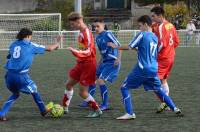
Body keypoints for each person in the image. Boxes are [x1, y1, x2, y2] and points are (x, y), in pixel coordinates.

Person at [108, 15, 183, 120]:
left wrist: (115, 46)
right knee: (158, 90)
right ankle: (175, 108)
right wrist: (136, 49)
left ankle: (129, 113)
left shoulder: (142, 34)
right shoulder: (154, 37)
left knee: (124, 87)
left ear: (145, 24)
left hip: (142, 68)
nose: (139, 28)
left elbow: (129, 47)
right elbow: (145, 50)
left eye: (140, 25)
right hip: (153, 68)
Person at [0, 28, 60, 121]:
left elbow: (10, 56)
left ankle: (2, 113)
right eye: (31, 36)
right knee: (34, 91)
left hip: (9, 75)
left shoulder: (13, 44)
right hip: (21, 76)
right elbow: (50, 49)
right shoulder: (30, 45)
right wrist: (57, 43)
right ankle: (43, 110)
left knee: (15, 94)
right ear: (28, 36)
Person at [62, 12, 102, 118]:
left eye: (72, 24)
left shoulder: (86, 33)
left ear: (78, 21)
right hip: (81, 63)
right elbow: (83, 49)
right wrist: (78, 53)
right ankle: (64, 107)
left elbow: (89, 51)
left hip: (89, 64)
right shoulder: (81, 31)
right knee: (68, 84)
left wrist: (75, 51)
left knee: (82, 92)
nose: (71, 26)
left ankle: (97, 110)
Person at [79, 19, 122, 110]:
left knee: (101, 81)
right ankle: (89, 100)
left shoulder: (108, 34)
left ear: (103, 25)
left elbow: (119, 46)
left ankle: (105, 104)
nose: (96, 28)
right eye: (94, 26)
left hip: (112, 62)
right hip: (104, 62)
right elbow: (103, 53)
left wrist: (118, 59)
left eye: (98, 26)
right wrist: (99, 63)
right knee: (93, 78)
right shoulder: (98, 37)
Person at [151, 6, 180, 113]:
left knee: (153, 81)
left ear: (159, 16)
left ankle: (166, 103)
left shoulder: (161, 27)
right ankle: (166, 102)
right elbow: (176, 42)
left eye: (153, 16)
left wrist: (153, 53)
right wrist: (170, 51)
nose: (152, 18)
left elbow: (162, 44)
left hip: (162, 58)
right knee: (163, 80)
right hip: (170, 57)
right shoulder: (170, 25)